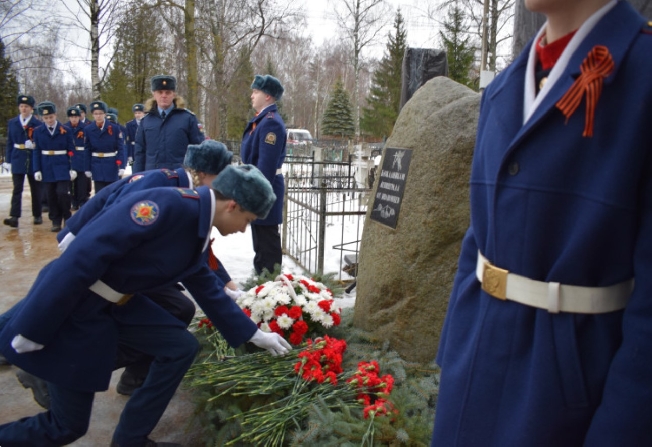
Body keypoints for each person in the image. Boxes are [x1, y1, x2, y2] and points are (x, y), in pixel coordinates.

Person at [431, 1, 652, 446]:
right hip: (471, 383)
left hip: (565, 404)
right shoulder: (505, 88)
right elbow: (480, 237)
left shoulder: (641, 77)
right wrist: (453, 355)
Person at [0, 164, 290, 447]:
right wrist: (35, 327)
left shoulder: (197, 220)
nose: (243, 230)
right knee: (67, 426)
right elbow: (82, 257)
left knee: (180, 347)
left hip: (118, 303)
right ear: (233, 206)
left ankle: (131, 438)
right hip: (79, 305)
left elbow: (202, 281)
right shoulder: (168, 206)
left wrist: (253, 334)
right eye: (248, 221)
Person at [58, 139, 240, 395]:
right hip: (112, 268)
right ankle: (61, 370)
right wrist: (78, 238)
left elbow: (199, 250)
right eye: (221, 176)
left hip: (133, 268)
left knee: (178, 309)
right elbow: (112, 213)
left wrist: (227, 285)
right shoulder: (163, 183)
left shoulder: (190, 192)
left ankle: (134, 376)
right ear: (203, 173)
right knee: (175, 310)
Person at [240, 74, 287, 274]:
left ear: (267, 96)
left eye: (256, 91)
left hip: (264, 190)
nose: (252, 95)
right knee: (260, 242)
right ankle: (264, 285)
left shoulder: (271, 123)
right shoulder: (261, 120)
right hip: (259, 187)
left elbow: (266, 167)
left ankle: (272, 288)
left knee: (267, 244)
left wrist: (255, 194)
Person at [133, 75, 204, 173]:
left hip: (179, 177)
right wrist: (136, 178)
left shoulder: (188, 118)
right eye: (160, 92)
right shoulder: (146, 121)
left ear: (174, 94)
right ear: (154, 94)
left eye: (168, 92)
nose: (164, 95)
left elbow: (198, 150)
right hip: (152, 176)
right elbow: (140, 152)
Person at [32, 102, 75, 232]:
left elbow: (71, 150)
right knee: (51, 195)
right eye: (46, 118)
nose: (49, 120)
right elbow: (36, 151)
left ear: (55, 115)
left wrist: (72, 167)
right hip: (47, 167)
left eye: (51, 117)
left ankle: (67, 218)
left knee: (62, 193)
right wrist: (37, 169)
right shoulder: (38, 131)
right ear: (42, 118)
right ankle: (55, 220)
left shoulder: (65, 130)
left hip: (62, 166)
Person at [2, 94, 43, 228]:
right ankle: (14, 216)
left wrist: (34, 145)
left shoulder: (37, 124)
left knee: (35, 188)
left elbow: (42, 142)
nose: (24, 109)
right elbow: (9, 142)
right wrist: (7, 160)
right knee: (17, 188)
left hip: (32, 158)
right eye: (21, 106)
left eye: (26, 106)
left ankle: (37, 214)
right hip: (18, 157)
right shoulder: (13, 122)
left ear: (31, 108)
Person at [84, 100, 126, 193]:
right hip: (96, 165)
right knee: (99, 193)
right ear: (92, 115)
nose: (98, 116)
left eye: (100, 113)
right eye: (95, 113)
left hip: (111, 164)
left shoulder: (114, 128)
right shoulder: (88, 129)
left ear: (105, 114)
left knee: (112, 192)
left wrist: (122, 166)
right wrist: (87, 167)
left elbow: (120, 148)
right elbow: (87, 150)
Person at [64, 106, 90, 209]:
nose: (74, 119)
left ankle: (82, 200)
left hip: (82, 156)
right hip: (70, 156)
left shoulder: (86, 128)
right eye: (71, 117)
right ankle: (73, 201)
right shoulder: (64, 128)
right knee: (71, 182)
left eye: (75, 116)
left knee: (82, 181)